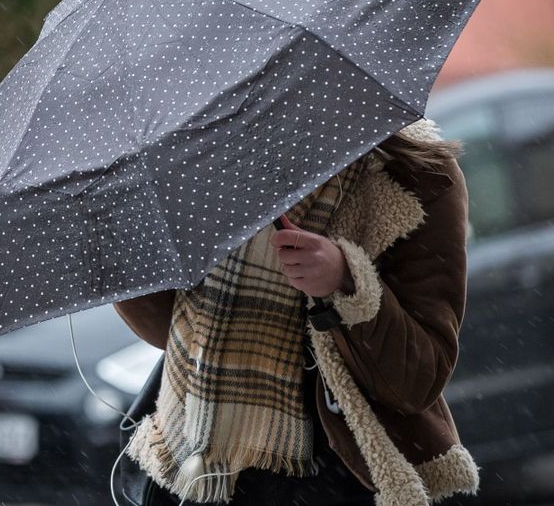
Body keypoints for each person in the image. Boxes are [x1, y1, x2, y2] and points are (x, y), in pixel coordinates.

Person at [113, 118, 479, 506]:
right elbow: (168, 331)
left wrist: (345, 279)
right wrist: (130, 241)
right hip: (206, 469)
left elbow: (418, 378)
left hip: (342, 474)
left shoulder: (421, 177)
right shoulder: (208, 166)